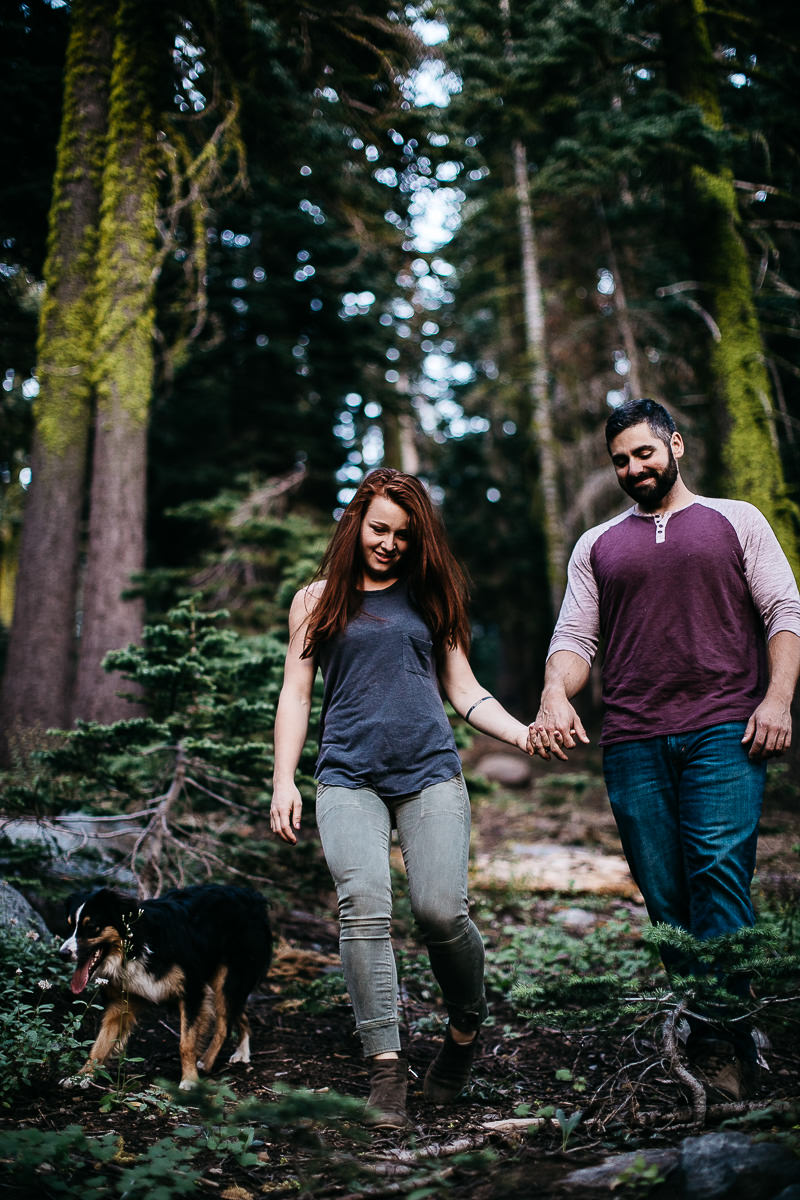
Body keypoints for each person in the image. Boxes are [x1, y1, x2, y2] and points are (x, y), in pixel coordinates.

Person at [530, 398, 800, 1098]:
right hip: (632, 739)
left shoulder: (736, 520)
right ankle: (710, 1020)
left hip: (724, 727)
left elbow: (784, 612)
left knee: (717, 876)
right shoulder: (597, 544)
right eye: (620, 460)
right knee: (665, 895)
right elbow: (575, 640)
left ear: (675, 445)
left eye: (644, 453)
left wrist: (776, 700)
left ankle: (725, 1044)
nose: (633, 468)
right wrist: (556, 693)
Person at [270, 468, 533, 1129]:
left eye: (402, 535)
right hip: (346, 777)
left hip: (429, 773)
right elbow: (297, 693)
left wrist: (524, 733)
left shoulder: (430, 596)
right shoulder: (316, 599)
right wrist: (283, 778)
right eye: (378, 529)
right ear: (356, 523)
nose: (387, 543)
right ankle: (385, 1068)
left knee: (441, 911)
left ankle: (465, 1028)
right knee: (362, 908)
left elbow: (464, 690)